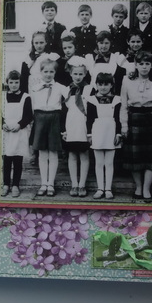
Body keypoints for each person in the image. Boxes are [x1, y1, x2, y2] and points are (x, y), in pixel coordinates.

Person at [120, 51, 152, 202]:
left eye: (147, 64)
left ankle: (147, 188)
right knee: (135, 157)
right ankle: (138, 187)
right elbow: (123, 105)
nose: (144, 67)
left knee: (151, 157)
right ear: (136, 65)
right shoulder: (127, 81)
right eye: (141, 64)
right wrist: (124, 125)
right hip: (134, 118)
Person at [30, 55, 69, 197]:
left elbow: (72, 99)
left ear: (55, 72)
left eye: (51, 71)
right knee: (42, 153)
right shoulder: (35, 88)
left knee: (53, 153)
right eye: (45, 71)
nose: (48, 74)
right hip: (40, 118)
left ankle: (51, 183)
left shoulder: (60, 88)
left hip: (54, 119)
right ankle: (43, 183)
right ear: (41, 72)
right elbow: (32, 106)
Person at [86, 72, 122, 199]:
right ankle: (100, 188)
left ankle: (108, 189)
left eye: (106, 84)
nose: (103, 87)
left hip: (111, 131)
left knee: (109, 162)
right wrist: (89, 134)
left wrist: (118, 134)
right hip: (97, 131)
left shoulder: (117, 100)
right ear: (96, 85)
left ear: (111, 85)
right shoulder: (92, 100)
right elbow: (89, 119)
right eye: (100, 84)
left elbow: (118, 118)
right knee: (99, 162)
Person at [60, 59, 92, 197]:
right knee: (72, 155)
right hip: (71, 125)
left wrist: (90, 131)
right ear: (71, 74)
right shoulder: (67, 90)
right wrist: (64, 130)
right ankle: (74, 184)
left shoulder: (89, 89)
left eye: (80, 74)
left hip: (84, 125)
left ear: (85, 74)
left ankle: (82, 184)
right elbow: (63, 111)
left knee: (84, 155)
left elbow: (92, 111)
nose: (78, 77)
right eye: (75, 74)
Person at [1, 70, 32, 199]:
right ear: (7, 83)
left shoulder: (26, 97)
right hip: (6, 132)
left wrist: (20, 125)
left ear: (20, 83)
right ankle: (6, 184)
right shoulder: (3, 96)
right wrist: (2, 123)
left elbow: (28, 116)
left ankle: (15, 185)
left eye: (16, 82)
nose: (14, 85)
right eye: (11, 82)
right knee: (6, 160)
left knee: (17, 160)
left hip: (19, 131)